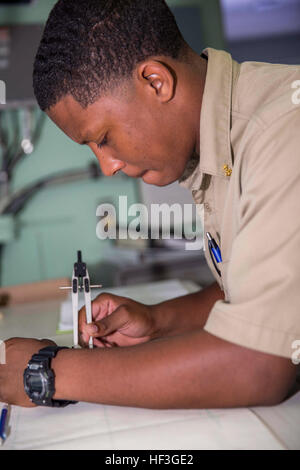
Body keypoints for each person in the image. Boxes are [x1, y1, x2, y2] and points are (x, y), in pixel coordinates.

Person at [1, 0, 299, 410]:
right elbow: (256, 295)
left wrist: (49, 372)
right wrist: (158, 321)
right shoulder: (217, 144)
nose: (107, 166)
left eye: (102, 138)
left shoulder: (283, 129)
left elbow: (260, 365)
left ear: (156, 81)